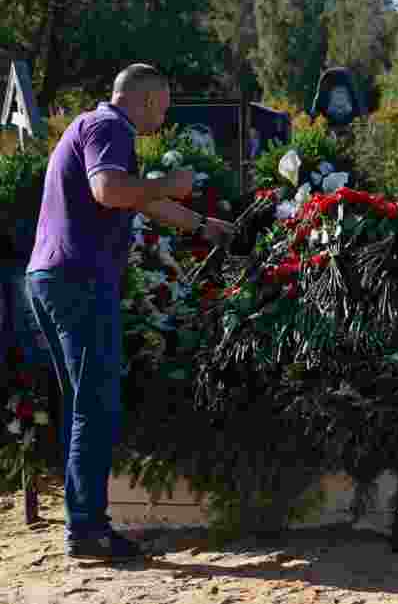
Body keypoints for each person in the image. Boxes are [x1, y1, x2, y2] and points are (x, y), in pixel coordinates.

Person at [25, 64, 236, 561]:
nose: (162, 118)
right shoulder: (110, 128)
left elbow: (132, 200)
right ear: (142, 101)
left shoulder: (93, 127)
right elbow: (110, 192)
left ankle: (85, 523)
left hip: (54, 278)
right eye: (161, 107)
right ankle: (88, 530)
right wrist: (171, 182)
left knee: (84, 405)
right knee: (95, 407)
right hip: (78, 279)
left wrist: (203, 225)